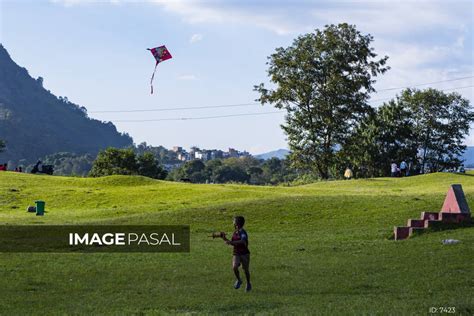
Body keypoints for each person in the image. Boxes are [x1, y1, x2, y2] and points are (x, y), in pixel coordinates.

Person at [223, 216, 251, 292]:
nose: (233, 222)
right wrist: (224, 238)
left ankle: (248, 283)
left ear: (237, 223)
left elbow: (243, 241)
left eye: (234, 221)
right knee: (234, 267)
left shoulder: (242, 232)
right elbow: (232, 243)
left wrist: (231, 242)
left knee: (245, 270)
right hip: (236, 253)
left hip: (244, 253)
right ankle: (239, 280)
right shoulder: (235, 232)